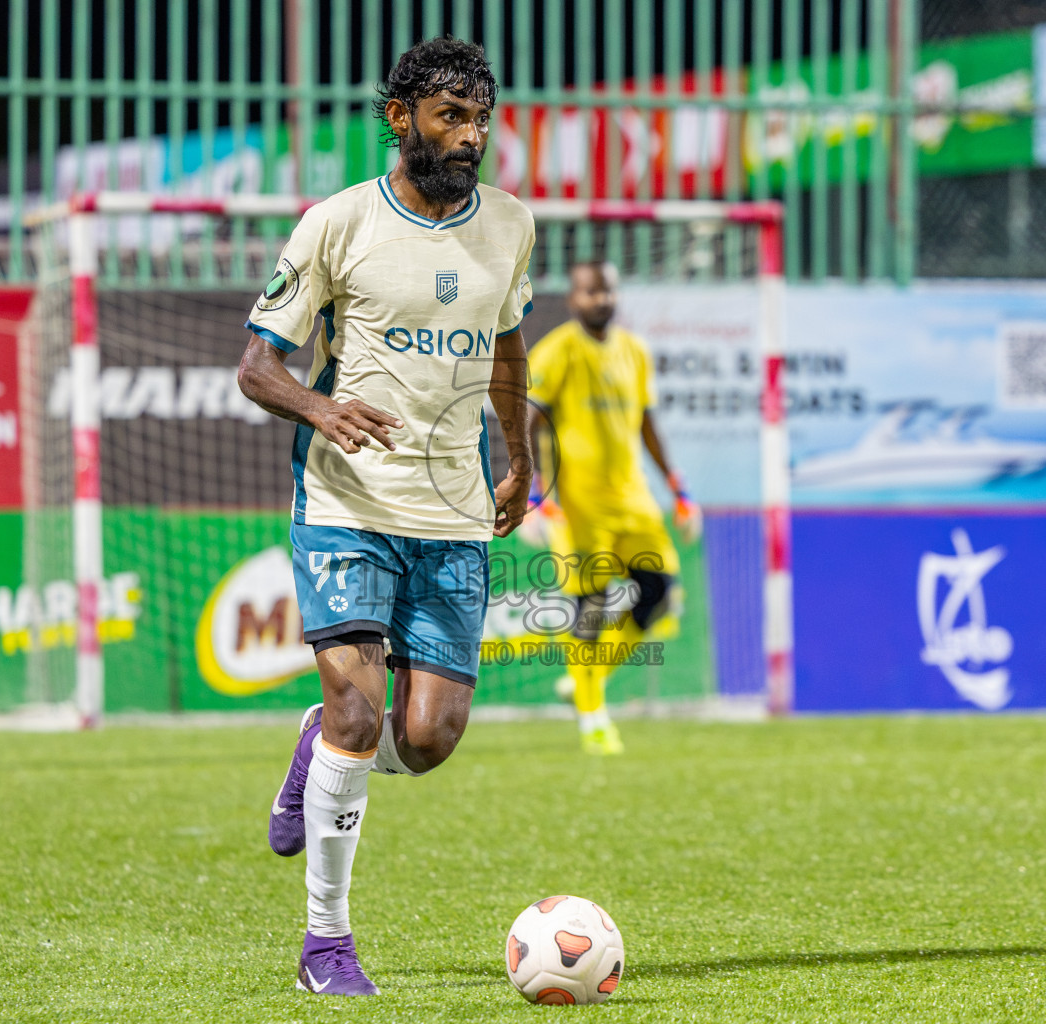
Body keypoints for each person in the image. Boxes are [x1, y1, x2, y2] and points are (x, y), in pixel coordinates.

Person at [236, 38, 534, 997]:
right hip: (347, 506)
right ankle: (326, 947)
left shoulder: (513, 226)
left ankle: (314, 746)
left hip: (452, 515)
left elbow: (509, 346)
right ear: (400, 117)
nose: (471, 136)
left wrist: (520, 453)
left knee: (431, 737)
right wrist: (322, 407)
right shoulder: (337, 223)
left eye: (481, 118)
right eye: (452, 116)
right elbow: (257, 366)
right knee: (359, 714)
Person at [525, 261, 700, 755]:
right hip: (580, 505)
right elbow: (527, 416)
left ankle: (590, 679)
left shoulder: (635, 351)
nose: (599, 299)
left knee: (661, 593)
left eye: (606, 290)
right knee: (592, 607)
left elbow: (646, 422)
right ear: (574, 298)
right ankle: (594, 717)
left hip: (634, 499)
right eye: (589, 291)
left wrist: (678, 488)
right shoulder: (558, 350)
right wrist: (535, 493)